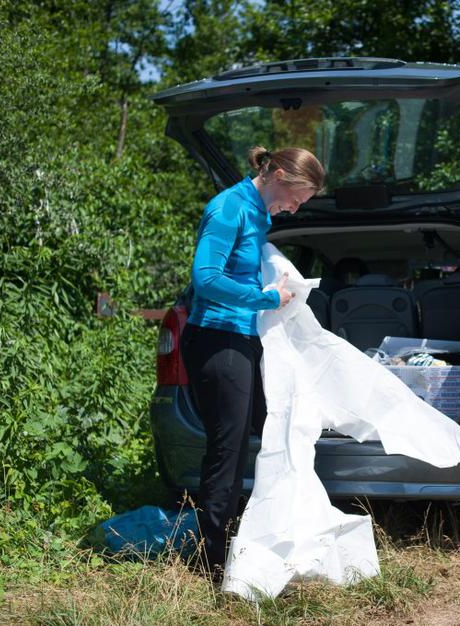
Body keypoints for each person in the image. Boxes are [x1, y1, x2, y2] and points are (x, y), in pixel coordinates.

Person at [180, 145, 325, 579]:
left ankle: (241, 541)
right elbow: (205, 279)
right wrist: (266, 297)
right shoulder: (229, 208)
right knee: (227, 451)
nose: (294, 209)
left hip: (242, 338)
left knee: (255, 438)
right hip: (216, 340)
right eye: (296, 198)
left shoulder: (258, 213)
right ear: (277, 174)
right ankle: (212, 563)